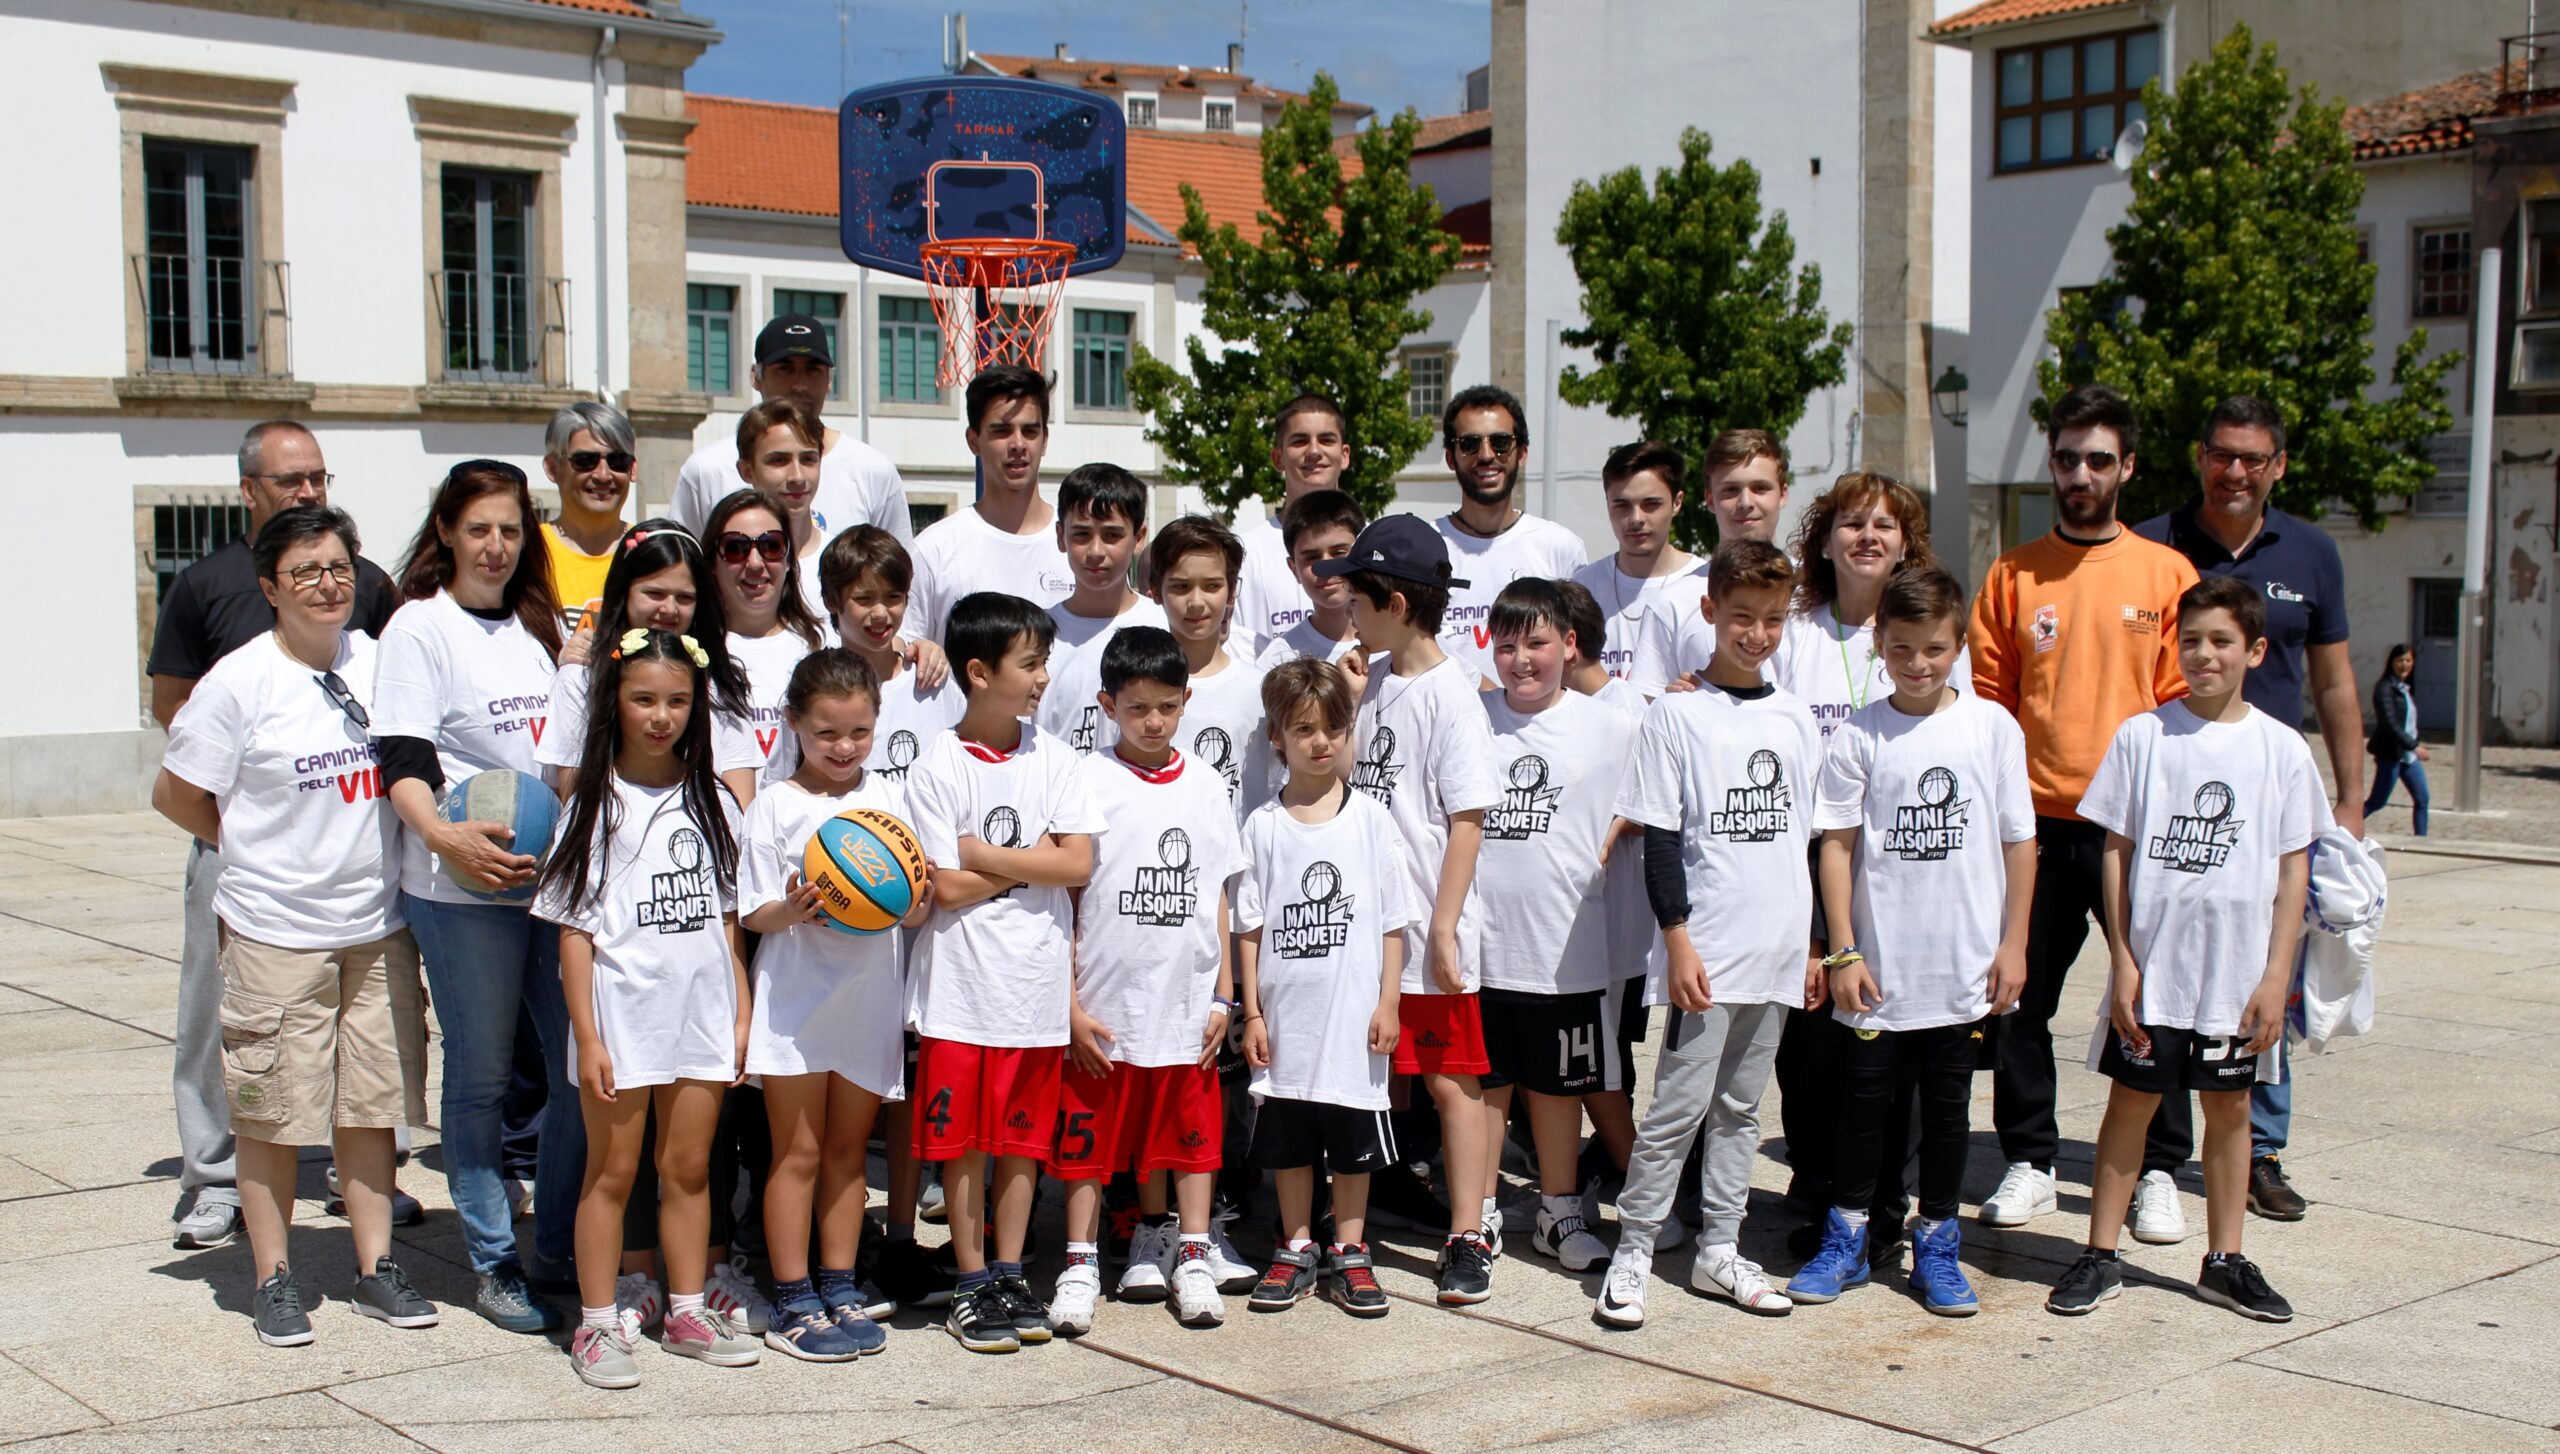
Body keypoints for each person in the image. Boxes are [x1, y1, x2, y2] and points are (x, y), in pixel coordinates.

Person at [153, 505, 436, 1346]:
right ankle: (274, 1278)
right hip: (276, 932)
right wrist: (244, 845)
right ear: (271, 587)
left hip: (376, 925)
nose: (327, 584)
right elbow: (176, 793)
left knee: (371, 1105)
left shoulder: (384, 662)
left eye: (339, 567)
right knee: (270, 1112)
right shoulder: (239, 681)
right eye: (306, 571)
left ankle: (374, 1266)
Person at [2048, 576, 2323, 1323]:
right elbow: (2116, 849)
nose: (2204, 654)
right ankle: (2101, 1254)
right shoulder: (2145, 736)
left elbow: (2294, 867)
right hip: (2156, 971)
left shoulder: (2281, 751)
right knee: (2131, 1103)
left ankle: (2225, 1260)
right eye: (2192, 639)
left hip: (2235, 977)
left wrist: (2276, 974)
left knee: (2228, 1109)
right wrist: (2125, 959)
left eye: (2222, 641)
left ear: (2255, 651)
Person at [1968, 384, 2197, 1234]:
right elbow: (1990, 704)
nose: (2080, 473)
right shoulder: (2014, 572)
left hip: (2136, 829)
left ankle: (2157, 1169)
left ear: (2127, 468)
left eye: (2099, 459)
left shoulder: (2167, 574)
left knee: (2156, 1000)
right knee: (2021, 997)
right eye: (2067, 458)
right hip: (2038, 825)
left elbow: (2182, 706)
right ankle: (2028, 1159)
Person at [2134, 396, 2363, 1224]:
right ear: (2200, 456)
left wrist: (2350, 796)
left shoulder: (2314, 552)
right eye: (2222, 454)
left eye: (2253, 458)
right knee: (2164, 979)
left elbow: (2334, 681)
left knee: (2267, 980)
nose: (2235, 471)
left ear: (2279, 466)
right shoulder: (2155, 544)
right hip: (2177, 801)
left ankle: (2261, 1151)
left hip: (2270, 800)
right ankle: (2161, 1158)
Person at [1787, 567, 2034, 1317]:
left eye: (1933, 649)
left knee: (1949, 1113)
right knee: (1861, 1110)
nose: (1917, 664)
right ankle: (1849, 1238)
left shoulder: (1991, 728)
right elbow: (1836, 847)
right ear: (1879, 651)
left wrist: (2014, 942)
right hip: (1879, 973)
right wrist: (1843, 951)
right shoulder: (1861, 735)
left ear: (1958, 645)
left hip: (1961, 971)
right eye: (1901, 650)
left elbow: (2020, 843)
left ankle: (1938, 1244)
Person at [1593, 540, 1822, 1329]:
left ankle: (1720, 1248)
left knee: (1740, 1111)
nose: (1755, 634)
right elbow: (1660, 839)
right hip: (1710, 953)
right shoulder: (1678, 715)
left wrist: (1818, 943)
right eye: (1741, 618)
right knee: (1677, 1109)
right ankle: (1636, 1248)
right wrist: (1679, 939)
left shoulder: (1796, 717)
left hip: (1780, 950)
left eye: (1771, 620)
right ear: (1710, 613)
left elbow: (1811, 839)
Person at [373, 459, 575, 1333]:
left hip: (548, 886)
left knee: (577, 1070)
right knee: (484, 1075)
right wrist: (446, 837)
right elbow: (404, 761)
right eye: (480, 528)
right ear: (448, 532)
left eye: (511, 529)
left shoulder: (535, 626)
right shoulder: (420, 628)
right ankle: (495, 1261)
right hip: (461, 892)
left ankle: (562, 1245)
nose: (496, 546)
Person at [536, 629, 758, 1387]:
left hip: (698, 1015)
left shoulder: (715, 800)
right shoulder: (593, 804)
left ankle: (688, 1306)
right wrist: (588, 1036)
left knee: (690, 1168)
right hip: (622, 1019)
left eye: (676, 701)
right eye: (643, 699)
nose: (660, 716)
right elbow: (573, 934)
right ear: (615, 704)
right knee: (613, 1172)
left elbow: (729, 918)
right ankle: (596, 1325)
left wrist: (738, 1009)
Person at [1766, 471, 1970, 1260]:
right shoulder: (1796, 629)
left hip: (1897, 864)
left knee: (1894, 1043)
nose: (1867, 536)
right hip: (1806, 857)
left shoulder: (1928, 636)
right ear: (1824, 539)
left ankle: (1885, 1203)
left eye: (1885, 525)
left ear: (1906, 544)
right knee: (1812, 1047)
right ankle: (1817, 1189)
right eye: (1851, 522)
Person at [904, 592, 1103, 1353]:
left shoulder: (1056, 759)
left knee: (1021, 1142)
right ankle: (969, 1277)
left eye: (1045, 660)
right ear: (979, 672)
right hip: (960, 991)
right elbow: (942, 887)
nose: (1044, 677)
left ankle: (1011, 1270)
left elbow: (1078, 861)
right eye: (1031, 663)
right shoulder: (936, 765)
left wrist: (982, 854)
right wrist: (1028, 863)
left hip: (1034, 992)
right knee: (962, 1144)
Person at [1314, 515, 1503, 1304]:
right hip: (1372, 928)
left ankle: (1468, 1233)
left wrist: (1446, 927)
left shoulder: (1451, 696)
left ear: (1393, 601)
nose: (1345, 608)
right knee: (1366, 1073)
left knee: (1452, 1082)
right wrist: (1353, 696)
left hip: (1429, 929)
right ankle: (1348, 1222)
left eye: (1356, 595)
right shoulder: (1384, 677)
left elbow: (1468, 819)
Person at [1050, 628, 1248, 1333]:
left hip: (1186, 1003)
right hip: (1104, 1008)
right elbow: (1065, 898)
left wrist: (1227, 994)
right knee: (1087, 1145)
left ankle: (1191, 1256)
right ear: (1108, 704)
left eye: (1167, 706)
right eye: (1138, 709)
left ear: (1187, 700)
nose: (1155, 721)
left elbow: (1218, 893)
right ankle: (1077, 1263)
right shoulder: (1083, 780)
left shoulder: (1206, 783)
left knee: (1191, 1139)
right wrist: (1068, 1004)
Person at [739, 649, 932, 1361]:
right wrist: (792, 910)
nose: (843, 747)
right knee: (797, 1151)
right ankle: (793, 1297)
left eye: (857, 732)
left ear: (877, 723)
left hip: (867, 996)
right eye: (826, 734)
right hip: (794, 1002)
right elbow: (754, 915)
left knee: (850, 1153)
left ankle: (840, 1281)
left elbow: (914, 905)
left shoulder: (888, 799)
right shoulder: (775, 804)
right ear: (793, 724)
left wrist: (912, 903)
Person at [808, 527, 965, 1312]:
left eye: (891, 598)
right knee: (837, 1097)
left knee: (906, 1091)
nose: (878, 613)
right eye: (862, 599)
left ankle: (901, 1235)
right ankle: (821, 1245)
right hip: (845, 921)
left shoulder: (928, 681)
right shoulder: (819, 688)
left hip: (922, 917)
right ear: (834, 603)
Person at [1237, 658, 1420, 1317]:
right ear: (1278, 737)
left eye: (1333, 727)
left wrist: (1389, 1002)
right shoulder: (1262, 826)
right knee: (1287, 1142)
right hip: (1287, 1022)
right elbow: (1250, 926)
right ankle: (1294, 1247)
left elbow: (1394, 924)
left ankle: (1349, 1249)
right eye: (1304, 728)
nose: (1321, 741)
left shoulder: (1371, 821)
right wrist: (1252, 1012)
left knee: (1351, 1146)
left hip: (1353, 1023)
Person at [1474, 579, 1641, 1274]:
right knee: (1487, 1085)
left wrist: (1614, 831)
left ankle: (1560, 1209)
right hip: (1483, 944)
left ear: (1569, 646)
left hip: (1569, 947)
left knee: (1559, 1085)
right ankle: (1475, 1213)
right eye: (1507, 646)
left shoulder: (1611, 725)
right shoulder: (1471, 717)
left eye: (1537, 643)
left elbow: (1652, 798)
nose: (1521, 661)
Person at [535, 521, 760, 801]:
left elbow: (739, 804)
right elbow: (577, 800)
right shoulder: (581, 679)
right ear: (624, 591)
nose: (669, 609)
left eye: (685, 598)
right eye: (654, 593)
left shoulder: (719, 683)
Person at [671, 313, 912, 547]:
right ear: (756, 377)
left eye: (813, 369)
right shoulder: (706, 470)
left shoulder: (873, 470)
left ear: (829, 380)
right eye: (784, 369)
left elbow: (900, 576)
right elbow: (681, 566)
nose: (800, 385)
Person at [904, 367, 1077, 644]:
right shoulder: (934, 551)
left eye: (1030, 431)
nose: (1018, 444)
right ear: (974, 440)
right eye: (1002, 431)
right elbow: (906, 657)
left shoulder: (1081, 545)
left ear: (1045, 439)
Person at [1434, 385, 1589, 684]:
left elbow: (1580, 658)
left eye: (1502, 442)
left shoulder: (1560, 547)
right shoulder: (1425, 546)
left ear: (1522, 454)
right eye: (1469, 444)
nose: (1486, 455)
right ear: (1451, 458)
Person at [1626, 428, 1792, 697]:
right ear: (1710, 498)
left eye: (1760, 488)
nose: (1745, 502)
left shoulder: (1815, 595)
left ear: (1783, 494)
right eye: (1730, 490)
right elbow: (1645, 705)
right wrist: (1671, 704)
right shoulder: (1672, 603)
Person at [705, 488, 830, 797]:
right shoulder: (694, 651)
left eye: (771, 546)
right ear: (711, 562)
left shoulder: (824, 644)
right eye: (736, 548)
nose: (755, 562)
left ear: (789, 560)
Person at [1034, 463, 1165, 752]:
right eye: (1081, 534)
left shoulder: (1166, 627)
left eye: (1111, 535)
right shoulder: (1034, 637)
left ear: (1139, 537)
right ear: (1060, 536)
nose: (1095, 552)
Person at [1149, 516, 1272, 818]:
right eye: (1180, 586)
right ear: (1154, 590)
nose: (1196, 602)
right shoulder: (1134, 690)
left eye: (1212, 586)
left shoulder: (1261, 690)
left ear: (1232, 592)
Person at [1573, 441, 1702, 684]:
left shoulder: (1705, 584)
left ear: (1677, 502)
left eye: (1651, 504)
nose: (1636, 519)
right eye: (1621, 505)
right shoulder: (1582, 588)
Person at [1236, 394, 1354, 654]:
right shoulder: (1243, 552)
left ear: (1344, 455)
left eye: (1326, 440)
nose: (1314, 451)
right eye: (1300, 441)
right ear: (1278, 458)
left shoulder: (1370, 544)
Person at [730, 399, 836, 627]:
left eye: (808, 459)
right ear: (747, 471)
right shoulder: (727, 568)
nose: (797, 476)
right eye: (779, 460)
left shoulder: (843, 563)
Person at [540, 401, 638, 636]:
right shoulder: (530, 552)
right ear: (553, 469)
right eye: (585, 461)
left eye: (617, 461)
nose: (603, 475)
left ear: (632, 470)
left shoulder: (650, 549)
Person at [1254, 489, 1367, 671]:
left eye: (1339, 553)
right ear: (1294, 569)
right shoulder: (1278, 660)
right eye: (1311, 557)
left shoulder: (1395, 643)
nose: (1326, 568)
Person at [2364, 644, 2428, 836]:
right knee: (2377, 801)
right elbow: (2390, 724)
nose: (2404, 665)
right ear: (2391, 662)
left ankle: (2422, 841)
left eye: (2408, 660)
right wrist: (2414, 746)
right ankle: (2340, 828)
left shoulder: (2405, 688)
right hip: (2391, 754)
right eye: (2400, 660)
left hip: (2408, 758)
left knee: (2422, 799)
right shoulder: (2385, 689)